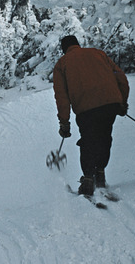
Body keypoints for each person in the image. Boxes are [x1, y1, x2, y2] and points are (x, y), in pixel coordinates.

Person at [53, 35, 129, 196]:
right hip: (110, 103)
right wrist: (122, 102)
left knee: (88, 140)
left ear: (63, 49)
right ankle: (100, 173)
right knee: (104, 136)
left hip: (86, 107)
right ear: (77, 44)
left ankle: (88, 179)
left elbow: (62, 96)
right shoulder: (98, 53)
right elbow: (121, 77)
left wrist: (64, 122)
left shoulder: (62, 64)